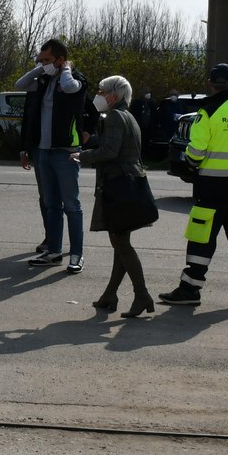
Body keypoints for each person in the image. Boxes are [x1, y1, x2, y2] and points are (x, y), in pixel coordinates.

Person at [159, 64, 228, 307]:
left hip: (212, 188)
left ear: (211, 84)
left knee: (201, 238)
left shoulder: (207, 113)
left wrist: (194, 163)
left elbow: (195, 152)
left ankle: (190, 289)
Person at [79, 75, 154, 317]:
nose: (98, 96)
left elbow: (111, 151)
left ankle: (142, 295)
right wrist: (92, 143)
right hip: (130, 184)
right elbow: (118, 145)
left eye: (101, 91)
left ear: (113, 95)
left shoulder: (113, 116)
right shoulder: (128, 116)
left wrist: (83, 156)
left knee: (121, 243)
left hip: (119, 186)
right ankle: (110, 294)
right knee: (120, 242)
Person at [17, 38, 88, 272]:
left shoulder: (76, 79)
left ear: (60, 59)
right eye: (41, 59)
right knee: (51, 205)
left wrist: (65, 68)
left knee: (71, 205)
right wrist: (40, 67)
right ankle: (54, 252)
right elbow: (20, 84)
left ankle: (76, 254)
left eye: (48, 60)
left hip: (65, 152)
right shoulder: (43, 80)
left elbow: (69, 88)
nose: (43, 63)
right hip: (43, 152)